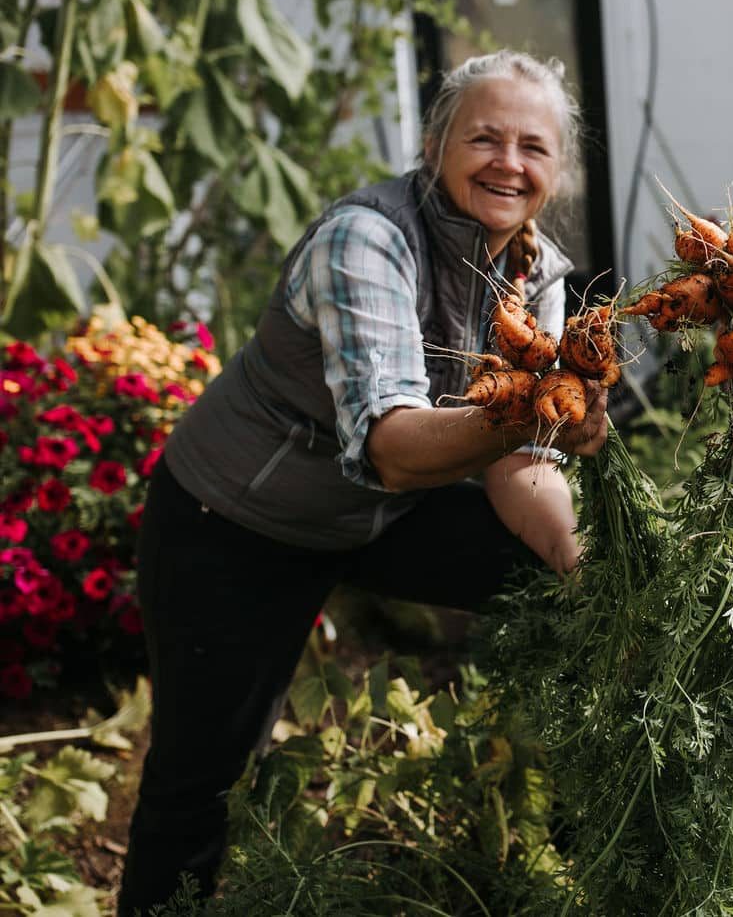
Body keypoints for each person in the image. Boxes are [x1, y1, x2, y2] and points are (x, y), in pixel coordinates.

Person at [117, 50, 608, 915]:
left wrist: (587, 568)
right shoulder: (368, 238)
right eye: (483, 137)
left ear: (556, 170)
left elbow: (519, 465)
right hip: (235, 521)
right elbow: (390, 446)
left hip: (376, 515)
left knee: (570, 581)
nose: (508, 162)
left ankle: (575, 814)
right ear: (434, 144)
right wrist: (531, 411)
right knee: (202, 781)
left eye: (533, 146)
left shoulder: (541, 275)